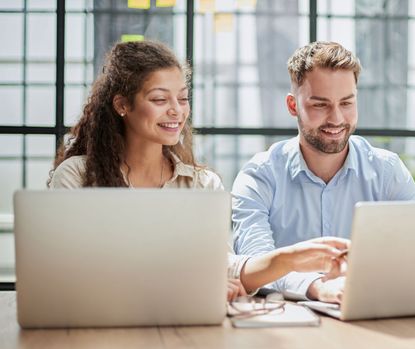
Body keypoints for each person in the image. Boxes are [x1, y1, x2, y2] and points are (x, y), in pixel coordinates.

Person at [48, 40, 348, 301]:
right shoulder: (77, 177)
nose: (177, 111)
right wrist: (188, 286)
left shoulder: (202, 184)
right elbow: (68, 274)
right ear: (122, 105)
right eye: (159, 99)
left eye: (182, 98)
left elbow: (222, 267)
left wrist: (289, 258)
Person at [232, 41, 415, 303]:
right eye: (320, 105)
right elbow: (255, 266)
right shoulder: (259, 176)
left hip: (369, 314)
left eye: (346, 103)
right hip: (283, 328)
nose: (336, 119)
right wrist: (317, 287)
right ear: (292, 105)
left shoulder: (387, 171)